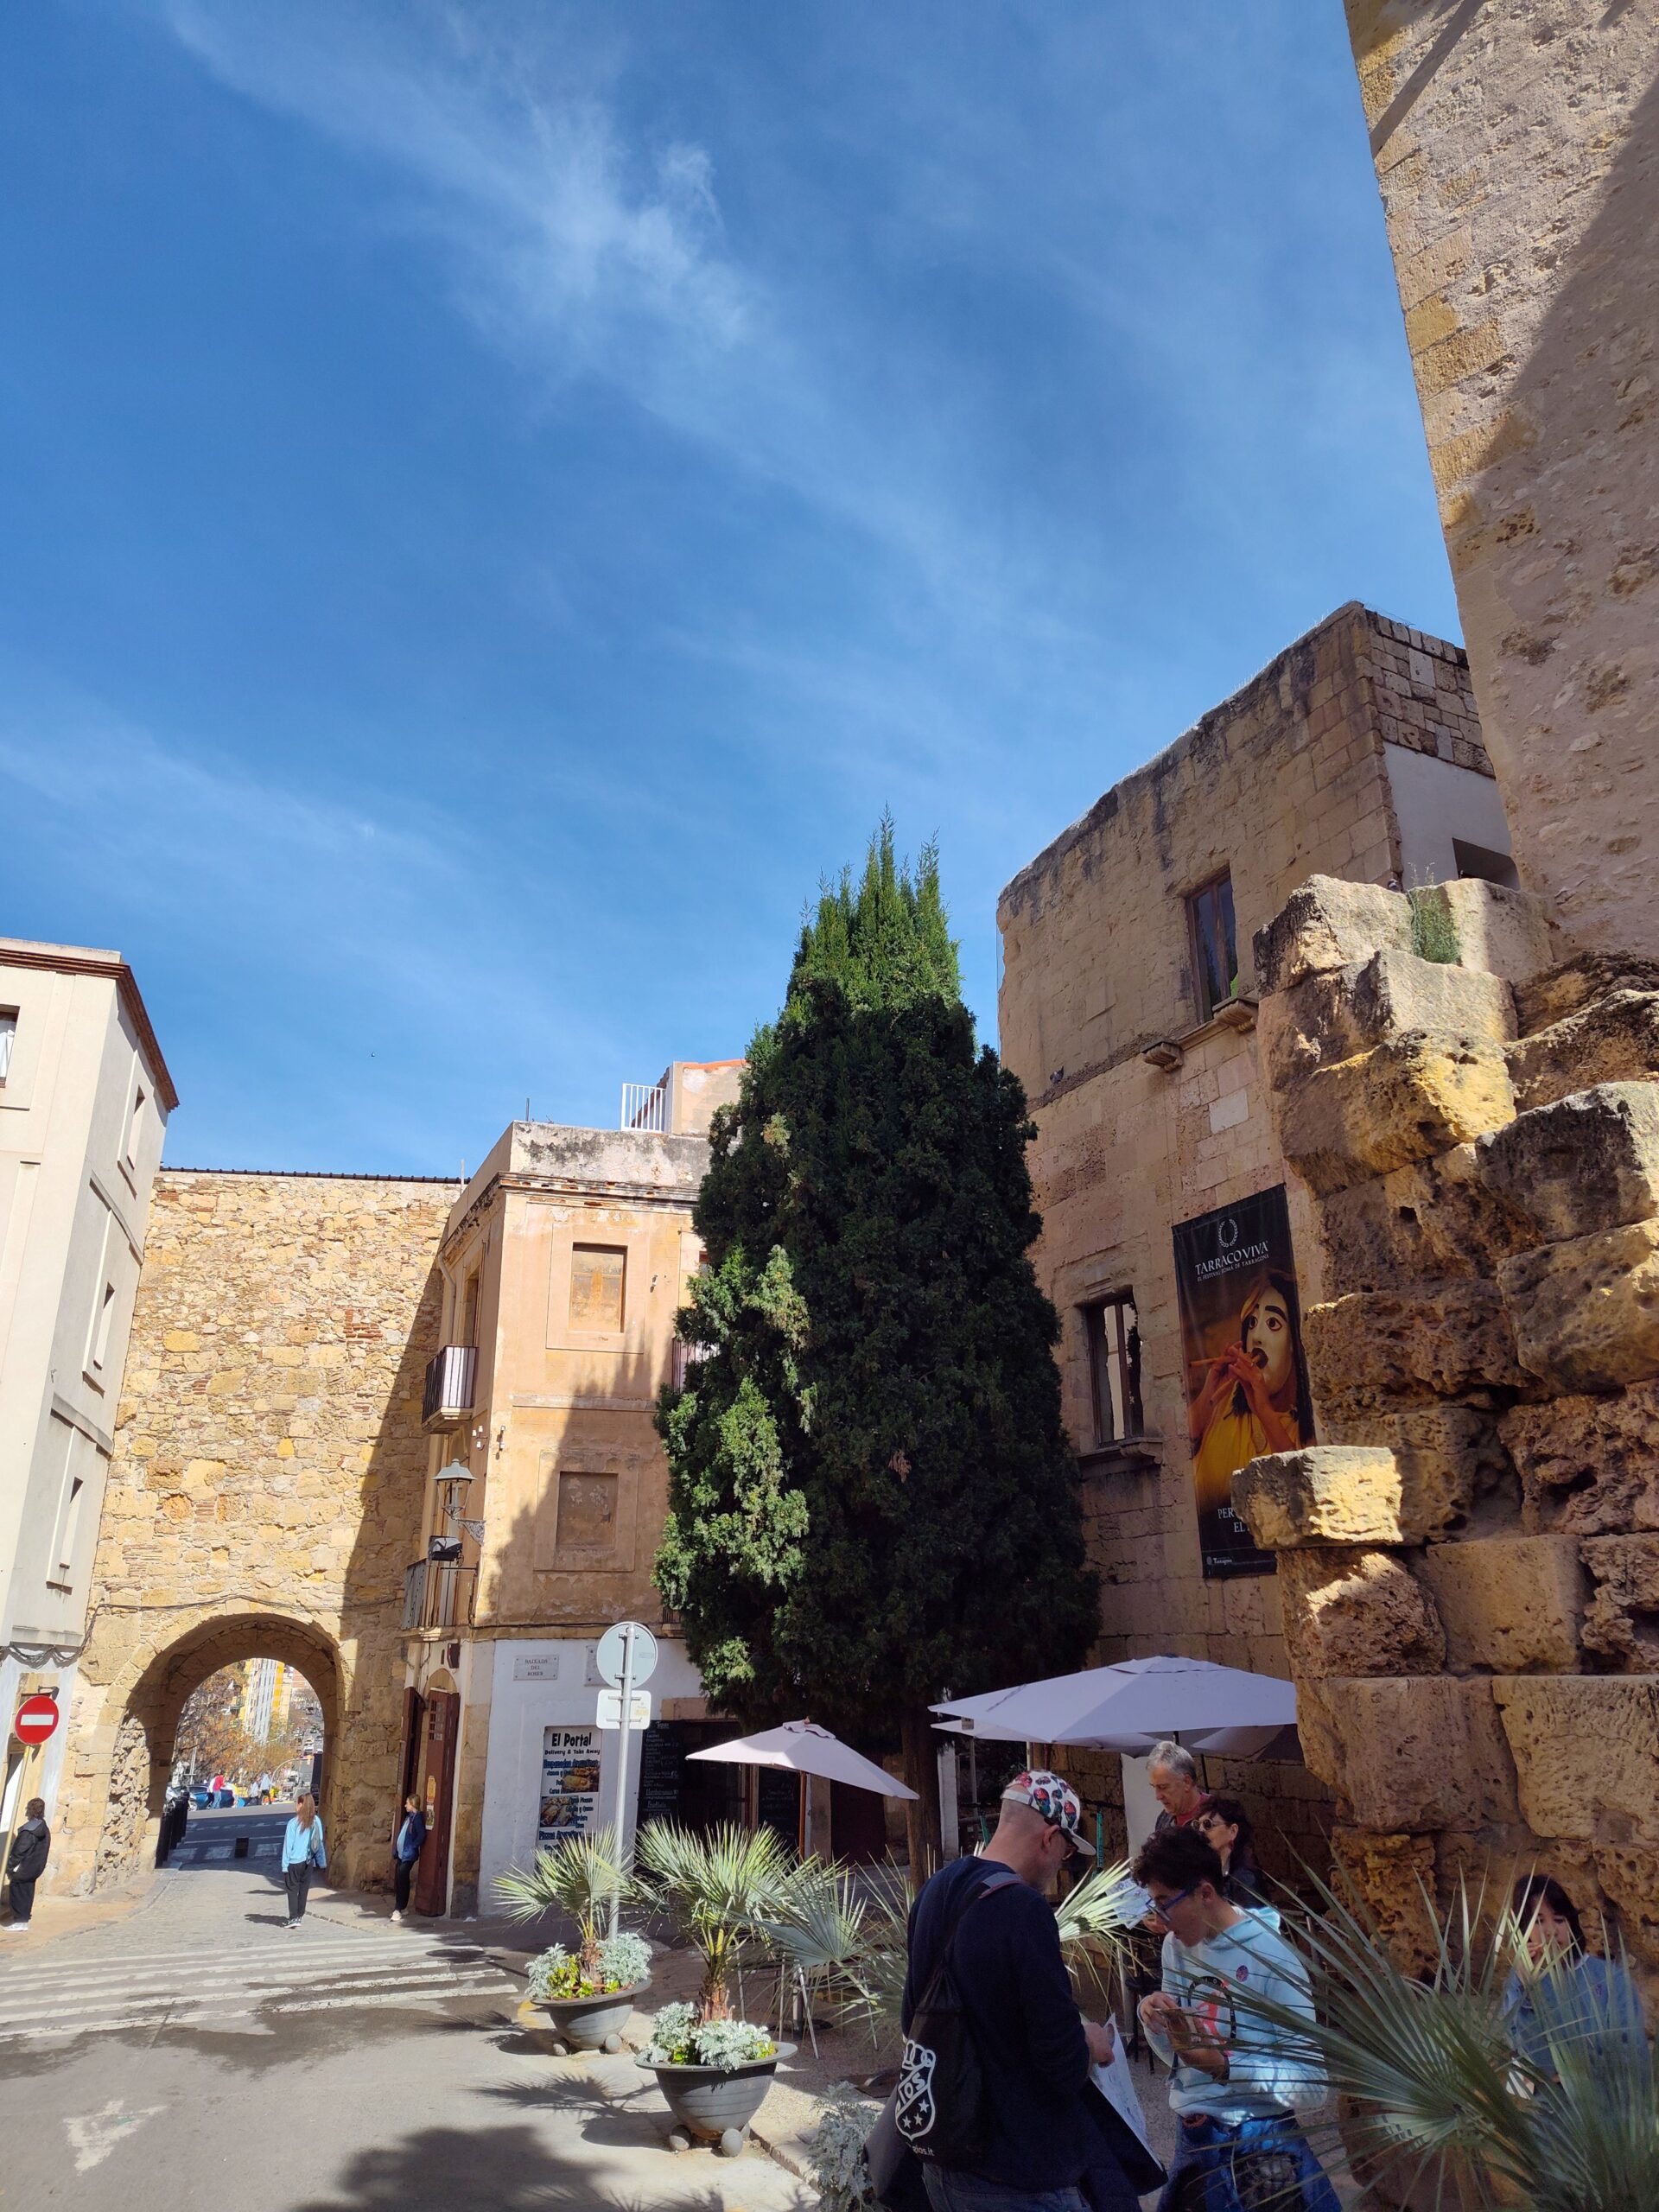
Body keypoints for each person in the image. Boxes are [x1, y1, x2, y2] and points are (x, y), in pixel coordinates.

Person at [901, 1769, 1132, 2212]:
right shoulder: (1025, 1910)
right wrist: (1093, 2045)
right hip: (1018, 2172)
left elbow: (912, 2016)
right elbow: (1061, 2061)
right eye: (1065, 1853)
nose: (1059, 1868)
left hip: (946, 2161)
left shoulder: (935, 1890)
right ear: (1049, 1837)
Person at [1135, 1826, 1337, 2212]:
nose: (1159, 1919)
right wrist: (1156, 2023)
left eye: (1164, 1903)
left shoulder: (1272, 1957)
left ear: (1205, 1893)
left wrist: (1227, 2067)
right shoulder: (1175, 1947)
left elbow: (1313, 2085)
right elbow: (1183, 2062)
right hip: (1195, 2140)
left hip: (1259, 2147)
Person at [1188, 1270, 1314, 1517]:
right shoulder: (1227, 1396)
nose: (1256, 1337)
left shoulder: (1309, 1425)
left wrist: (1263, 1410)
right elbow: (1182, 1437)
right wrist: (1211, 1386)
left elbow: (1299, 1482)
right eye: (1252, 1323)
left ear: (1294, 1346)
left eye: (1273, 1323)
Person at [1503, 1875, 1647, 2079]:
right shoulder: (1517, 1985)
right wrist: (1528, 1990)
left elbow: (1631, 2051)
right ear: (1522, 1929)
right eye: (1538, 1921)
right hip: (1549, 2106)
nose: (1551, 1931)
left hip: (1610, 2102)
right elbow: (1532, 2063)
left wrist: (1575, 2075)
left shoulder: (1609, 1979)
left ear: (1572, 1925)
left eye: (1559, 1920)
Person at [1195, 1797, 1268, 1909]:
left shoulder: (1244, 1878)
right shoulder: (1207, 1868)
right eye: (1197, 1826)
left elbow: (1250, 1923)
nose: (1201, 1831)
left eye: (1207, 1825)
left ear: (1233, 1831)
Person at [4, 1799, 51, 1931]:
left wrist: (10, 1866)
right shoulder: (42, 1826)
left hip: (24, 1868)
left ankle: (20, 1920)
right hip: (34, 1867)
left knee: (18, 1892)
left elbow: (20, 1850)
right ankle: (23, 1920)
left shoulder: (29, 1830)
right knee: (27, 1893)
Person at [281, 1790, 327, 1926]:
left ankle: (293, 1917)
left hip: (294, 1861)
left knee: (292, 1890)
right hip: (308, 1861)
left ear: (301, 1804)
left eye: (297, 1803)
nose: (295, 1805)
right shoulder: (316, 1821)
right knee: (303, 1889)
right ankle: (300, 1916)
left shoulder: (293, 1823)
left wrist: (284, 1865)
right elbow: (320, 1841)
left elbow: (288, 1846)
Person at [1148, 1742, 1212, 1834]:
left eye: (1163, 1787)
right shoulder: (1163, 1819)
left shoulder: (1217, 1817)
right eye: (1154, 1787)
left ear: (1187, 1782)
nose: (1158, 1796)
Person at [391, 1793, 426, 1923]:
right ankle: (402, 1907)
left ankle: (398, 1909)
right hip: (401, 1854)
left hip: (408, 1855)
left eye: (407, 1803)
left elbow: (421, 1835)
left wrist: (413, 1847)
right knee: (401, 1880)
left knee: (402, 1880)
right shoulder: (409, 1818)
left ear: (413, 1804)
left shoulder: (416, 1819)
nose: (405, 1805)